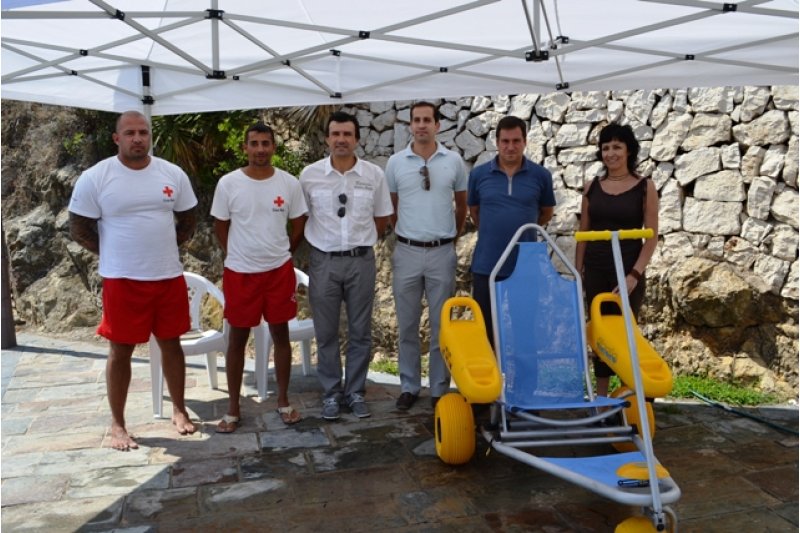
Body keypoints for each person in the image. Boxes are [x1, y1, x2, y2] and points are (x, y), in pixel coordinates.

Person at [69, 110, 198, 451]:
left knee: (171, 343)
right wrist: (114, 252)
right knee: (120, 350)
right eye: (130, 133)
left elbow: (188, 219)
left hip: (167, 275)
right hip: (122, 279)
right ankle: (118, 424)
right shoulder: (97, 177)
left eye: (143, 132)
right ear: (117, 138)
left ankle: (179, 409)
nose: (137, 138)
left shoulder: (172, 173)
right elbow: (78, 227)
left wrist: (164, 247)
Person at [210, 122, 307, 432]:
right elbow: (221, 225)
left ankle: (283, 401)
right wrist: (236, 254)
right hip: (240, 274)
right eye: (254, 143)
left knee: (281, 335)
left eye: (266, 143)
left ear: (274, 147)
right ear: (245, 148)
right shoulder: (228, 183)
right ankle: (233, 408)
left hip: (278, 272)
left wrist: (284, 251)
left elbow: (299, 223)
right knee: (236, 339)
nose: (260, 149)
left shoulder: (289, 183)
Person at [299, 111, 393, 421]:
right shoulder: (309, 175)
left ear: (357, 139)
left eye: (347, 134)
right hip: (323, 262)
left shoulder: (373, 175)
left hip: (360, 261)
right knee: (326, 332)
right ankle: (330, 393)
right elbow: (300, 216)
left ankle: (355, 392)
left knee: (360, 331)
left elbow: (382, 217)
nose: (341, 140)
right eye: (336, 134)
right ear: (327, 138)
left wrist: (360, 243)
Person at [385, 102, 468, 410]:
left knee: (441, 325)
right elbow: (392, 206)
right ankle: (409, 385)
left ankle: (438, 388)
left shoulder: (453, 161)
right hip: (406, 251)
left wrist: (448, 237)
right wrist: (407, 233)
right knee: (406, 324)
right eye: (416, 120)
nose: (421, 125)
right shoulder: (395, 163)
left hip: (441, 252)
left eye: (427, 120)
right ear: (410, 125)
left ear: (437, 125)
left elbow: (462, 205)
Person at [575, 122, 658, 397]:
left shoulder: (645, 187)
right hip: (595, 270)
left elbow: (652, 237)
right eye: (606, 147)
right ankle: (600, 397)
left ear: (629, 150)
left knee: (625, 333)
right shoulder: (591, 187)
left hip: (627, 269)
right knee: (600, 333)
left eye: (617, 147)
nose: (611, 153)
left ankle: (629, 393)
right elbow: (583, 233)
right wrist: (577, 273)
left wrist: (634, 275)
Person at [468, 115, 556, 343]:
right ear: (496, 142)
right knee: (485, 332)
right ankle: (490, 369)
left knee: (525, 332)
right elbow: (475, 212)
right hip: (487, 265)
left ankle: (524, 369)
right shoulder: (478, 175)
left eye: (516, 141)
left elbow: (546, 213)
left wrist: (521, 229)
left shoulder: (541, 176)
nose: (510, 147)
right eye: (505, 141)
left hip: (524, 266)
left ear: (525, 142)